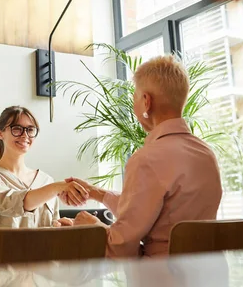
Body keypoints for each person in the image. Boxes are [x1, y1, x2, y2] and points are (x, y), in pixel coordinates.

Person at [62, 55, 222, 258]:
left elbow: (120, 247)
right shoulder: (206, 153)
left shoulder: (147, 159)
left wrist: (93, 226)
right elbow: (157, 214)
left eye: (134, 98)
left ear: (146, 102)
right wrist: (97, 193)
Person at [0, 106, 88, 230]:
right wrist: (57, 187)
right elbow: (15, 203)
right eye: (16, 129)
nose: (25, 135)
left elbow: (51, 228)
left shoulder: (46, 180)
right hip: (0, 250)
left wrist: (60, 226)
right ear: (0, 133)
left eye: (30, 129)